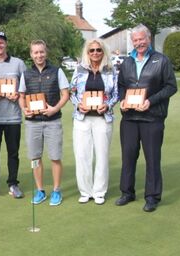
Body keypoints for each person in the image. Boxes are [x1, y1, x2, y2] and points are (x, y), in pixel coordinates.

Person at [115, 24, 177, 212]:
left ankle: (152, 197)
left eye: (142, 39)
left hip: (152, 117)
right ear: (132, 42)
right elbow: (121, 86)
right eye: (135, 40)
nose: (139, 43)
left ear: (148, 39)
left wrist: (151, 101)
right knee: (128, 156)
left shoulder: (161, 60)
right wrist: (122, 100)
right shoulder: (126, 62)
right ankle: (127, 192)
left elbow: (171, 87)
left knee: (152, 158)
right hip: (130, 118)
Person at [19, 39, 69, 206]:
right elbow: (21, 96)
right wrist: (24, 109)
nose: (39, 55)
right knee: (35, 157)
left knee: (55, 157)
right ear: (31, 54)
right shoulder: (26, 74)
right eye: (35, 52)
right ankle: (40, 190)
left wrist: (54, 109)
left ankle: (56, 190)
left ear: (45, 52)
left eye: (41, 52)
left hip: (52, 121)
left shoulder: (57, 71)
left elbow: (65, 95)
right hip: (32, 122)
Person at [69, 38, 118, 205]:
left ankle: (99, 192)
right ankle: (85, 191)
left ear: (103, 52)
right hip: (82, 118)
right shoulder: (80, 69)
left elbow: (117, 94)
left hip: (103, 119)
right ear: (87, 53)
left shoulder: (111, 70)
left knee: (102, 156)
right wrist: (78, 105)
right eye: (92, 50)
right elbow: (72, 91)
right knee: (82, 155)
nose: (95, 53)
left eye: (98, 50)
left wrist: (108, 105)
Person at [0, 31, 27, 199]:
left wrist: (18, 95)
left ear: (5, 44)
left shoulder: (18, 64)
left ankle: (13, 183)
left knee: (13, 152)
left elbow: (26, 86)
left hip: (13, 117)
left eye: (1, 42)